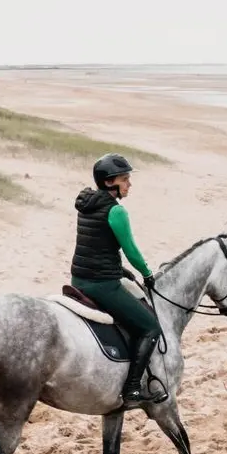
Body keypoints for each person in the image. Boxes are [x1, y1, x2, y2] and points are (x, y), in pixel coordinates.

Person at [71, 153, 167, 406]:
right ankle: (133, 389)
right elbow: (131, 251)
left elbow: (96, 246)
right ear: (109, 182)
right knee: (150, 328)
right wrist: (146, 273)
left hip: (79, 279)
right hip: (101, 285)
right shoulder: (116, 211)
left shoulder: (87, 204)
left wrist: (120, 269)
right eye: (124, 179)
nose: (129, 184)